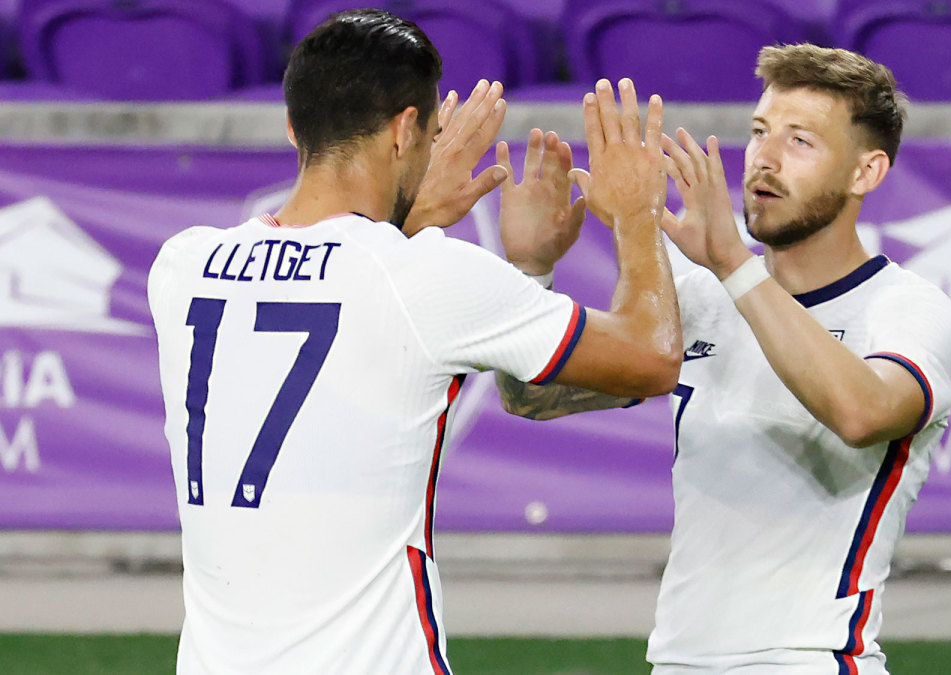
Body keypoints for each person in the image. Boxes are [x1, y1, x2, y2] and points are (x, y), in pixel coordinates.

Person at [147, 9, 679, 673]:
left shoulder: (182, 266)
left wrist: (419, 217)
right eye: (427, 133)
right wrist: (636, 212)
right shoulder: (424, 279)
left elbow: (339, 285)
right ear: (404, 130)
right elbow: (651, 357)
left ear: (294, 125)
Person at [497, 43, 951, 674]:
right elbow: (531, 399)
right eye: (760, 132)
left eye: (800, 141)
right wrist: (531, 270)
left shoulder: (908, 308)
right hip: (677, 664)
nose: (764, 160)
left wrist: (732, 265)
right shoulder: (702, 294)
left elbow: (861, 412)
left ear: (866, 173)